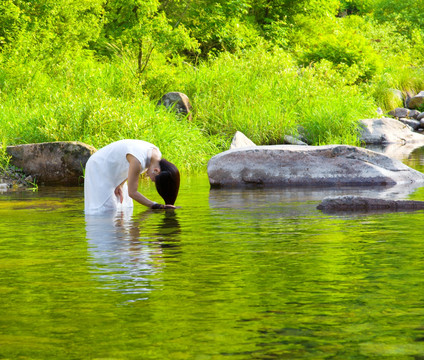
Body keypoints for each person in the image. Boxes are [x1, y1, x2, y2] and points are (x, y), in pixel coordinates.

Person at [84, 139, 180, 214]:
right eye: (154, 180)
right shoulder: (138, 160)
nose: (151, 179)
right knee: (106, 209)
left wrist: (120, 184)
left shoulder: (155, 155)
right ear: (156, 171)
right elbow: (132, 193)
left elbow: (130, 168)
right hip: (99, 166)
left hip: (115, 169)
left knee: (125, 206)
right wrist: (156, 206)